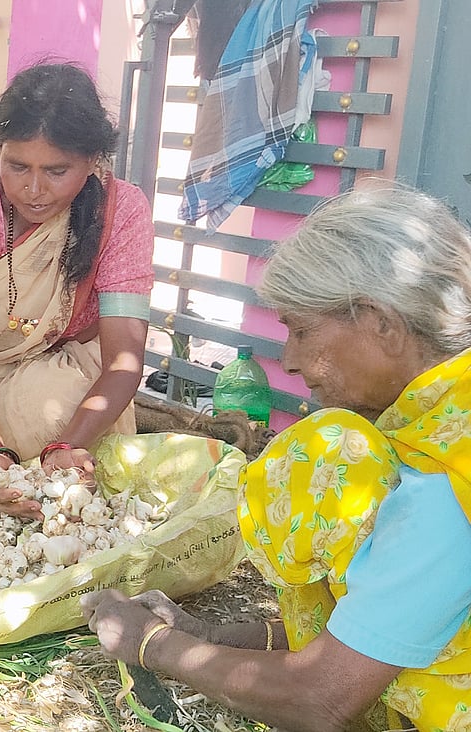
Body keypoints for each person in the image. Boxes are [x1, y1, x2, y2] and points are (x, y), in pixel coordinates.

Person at [82, 185, 471, 731]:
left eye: (302, 330)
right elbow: (395, 619)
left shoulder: (443, 483)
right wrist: (208, 635)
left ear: (380, 323)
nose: (288, 360)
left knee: (322, 453)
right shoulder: (441, 418)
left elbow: (321, 699)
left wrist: (153, 645)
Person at [0, 62, 155, 519]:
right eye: (17, 166)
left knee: (51, 414)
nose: (33, 189)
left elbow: (122, 361)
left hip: (67, 368)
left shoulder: (121, 212)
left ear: (92, 162)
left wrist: (68, 445)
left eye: (57, 170)